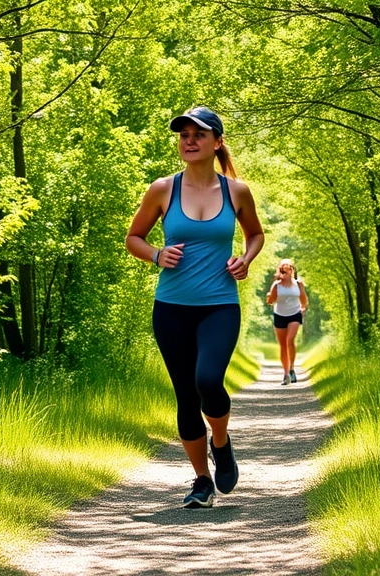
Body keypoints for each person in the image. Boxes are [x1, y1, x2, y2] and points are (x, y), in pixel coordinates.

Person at [125, 106, 264, 508]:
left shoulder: (235, 191)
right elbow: (134, 237)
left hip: (219, 305)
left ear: (217, 142)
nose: (189, 140)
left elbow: (255, 234)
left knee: (207, 381)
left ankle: (221, 442)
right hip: (171, 308)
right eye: (183, 134)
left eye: (199, 134)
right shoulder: (162, 189)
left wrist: (246, 258)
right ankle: (201, 481)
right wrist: (155, 254)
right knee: (186, 395)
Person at [265, 258, 308, 386]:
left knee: (290, 341)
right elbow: (270, 301)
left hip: (295, 314)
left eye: (287, 269)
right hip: (280, 315)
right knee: (283, 345)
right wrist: (270, 296)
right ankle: (286, 374)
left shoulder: (298, 283)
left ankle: (292, 368)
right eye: (282, 270)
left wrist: (303, 308)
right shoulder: (277, 285)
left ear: (292, 270)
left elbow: (304, 299)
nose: (284, 272)